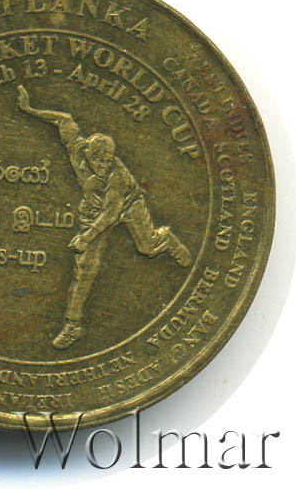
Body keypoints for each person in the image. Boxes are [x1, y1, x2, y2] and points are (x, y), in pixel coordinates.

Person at [17, 85, 192, 350]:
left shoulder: (117, 176)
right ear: (88, 154)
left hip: (127, 205)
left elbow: (111, 214)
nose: (103, 165)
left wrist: (86, 237)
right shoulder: (77, 148)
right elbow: (63, 119)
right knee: (85, 268)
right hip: (94, 207)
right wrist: (29, 109)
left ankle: (166, 240)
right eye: (99, 161)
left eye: (107, 161)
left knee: (147, 247)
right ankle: (73, 326)